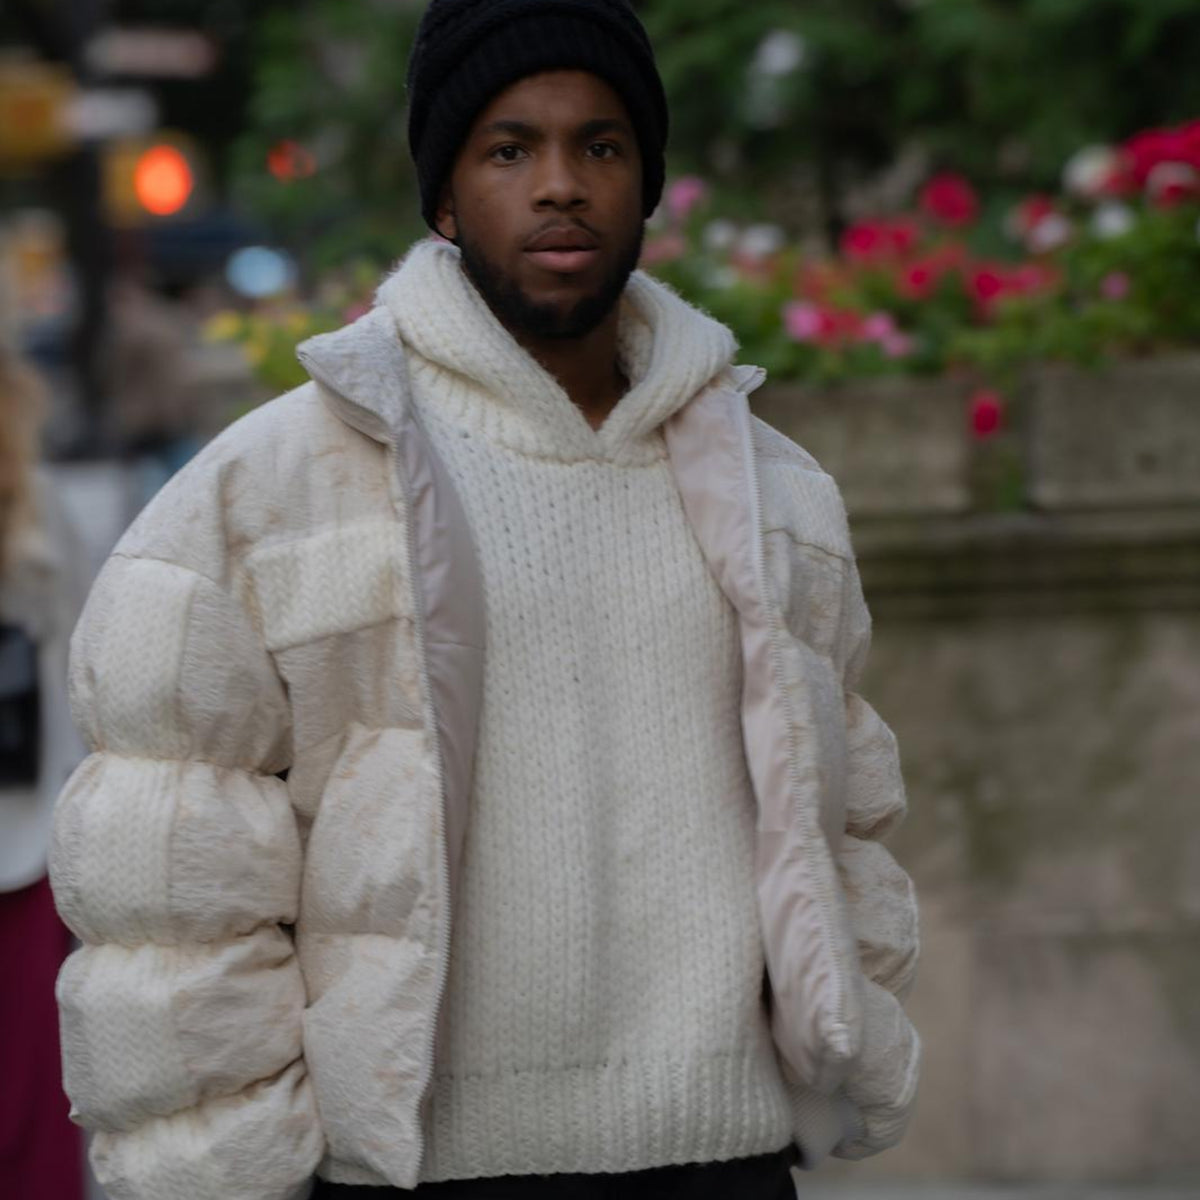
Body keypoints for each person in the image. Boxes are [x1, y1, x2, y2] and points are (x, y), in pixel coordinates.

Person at [48, 2, 921, 1197]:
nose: (560, 185)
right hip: (412, 1173)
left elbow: (844, 820)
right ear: (445, 198)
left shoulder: (777, 495)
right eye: (509, 150)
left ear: (648, 185)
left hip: (727, 1153)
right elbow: (174, 891)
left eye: (601, 147)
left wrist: (842, 1044)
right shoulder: (268, 493)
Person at [1, 341, 87, 1200]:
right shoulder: (45, 511)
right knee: (29, 1079)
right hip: (28, 832)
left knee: (32, 1075)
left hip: (27, 840)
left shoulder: (43, 512)